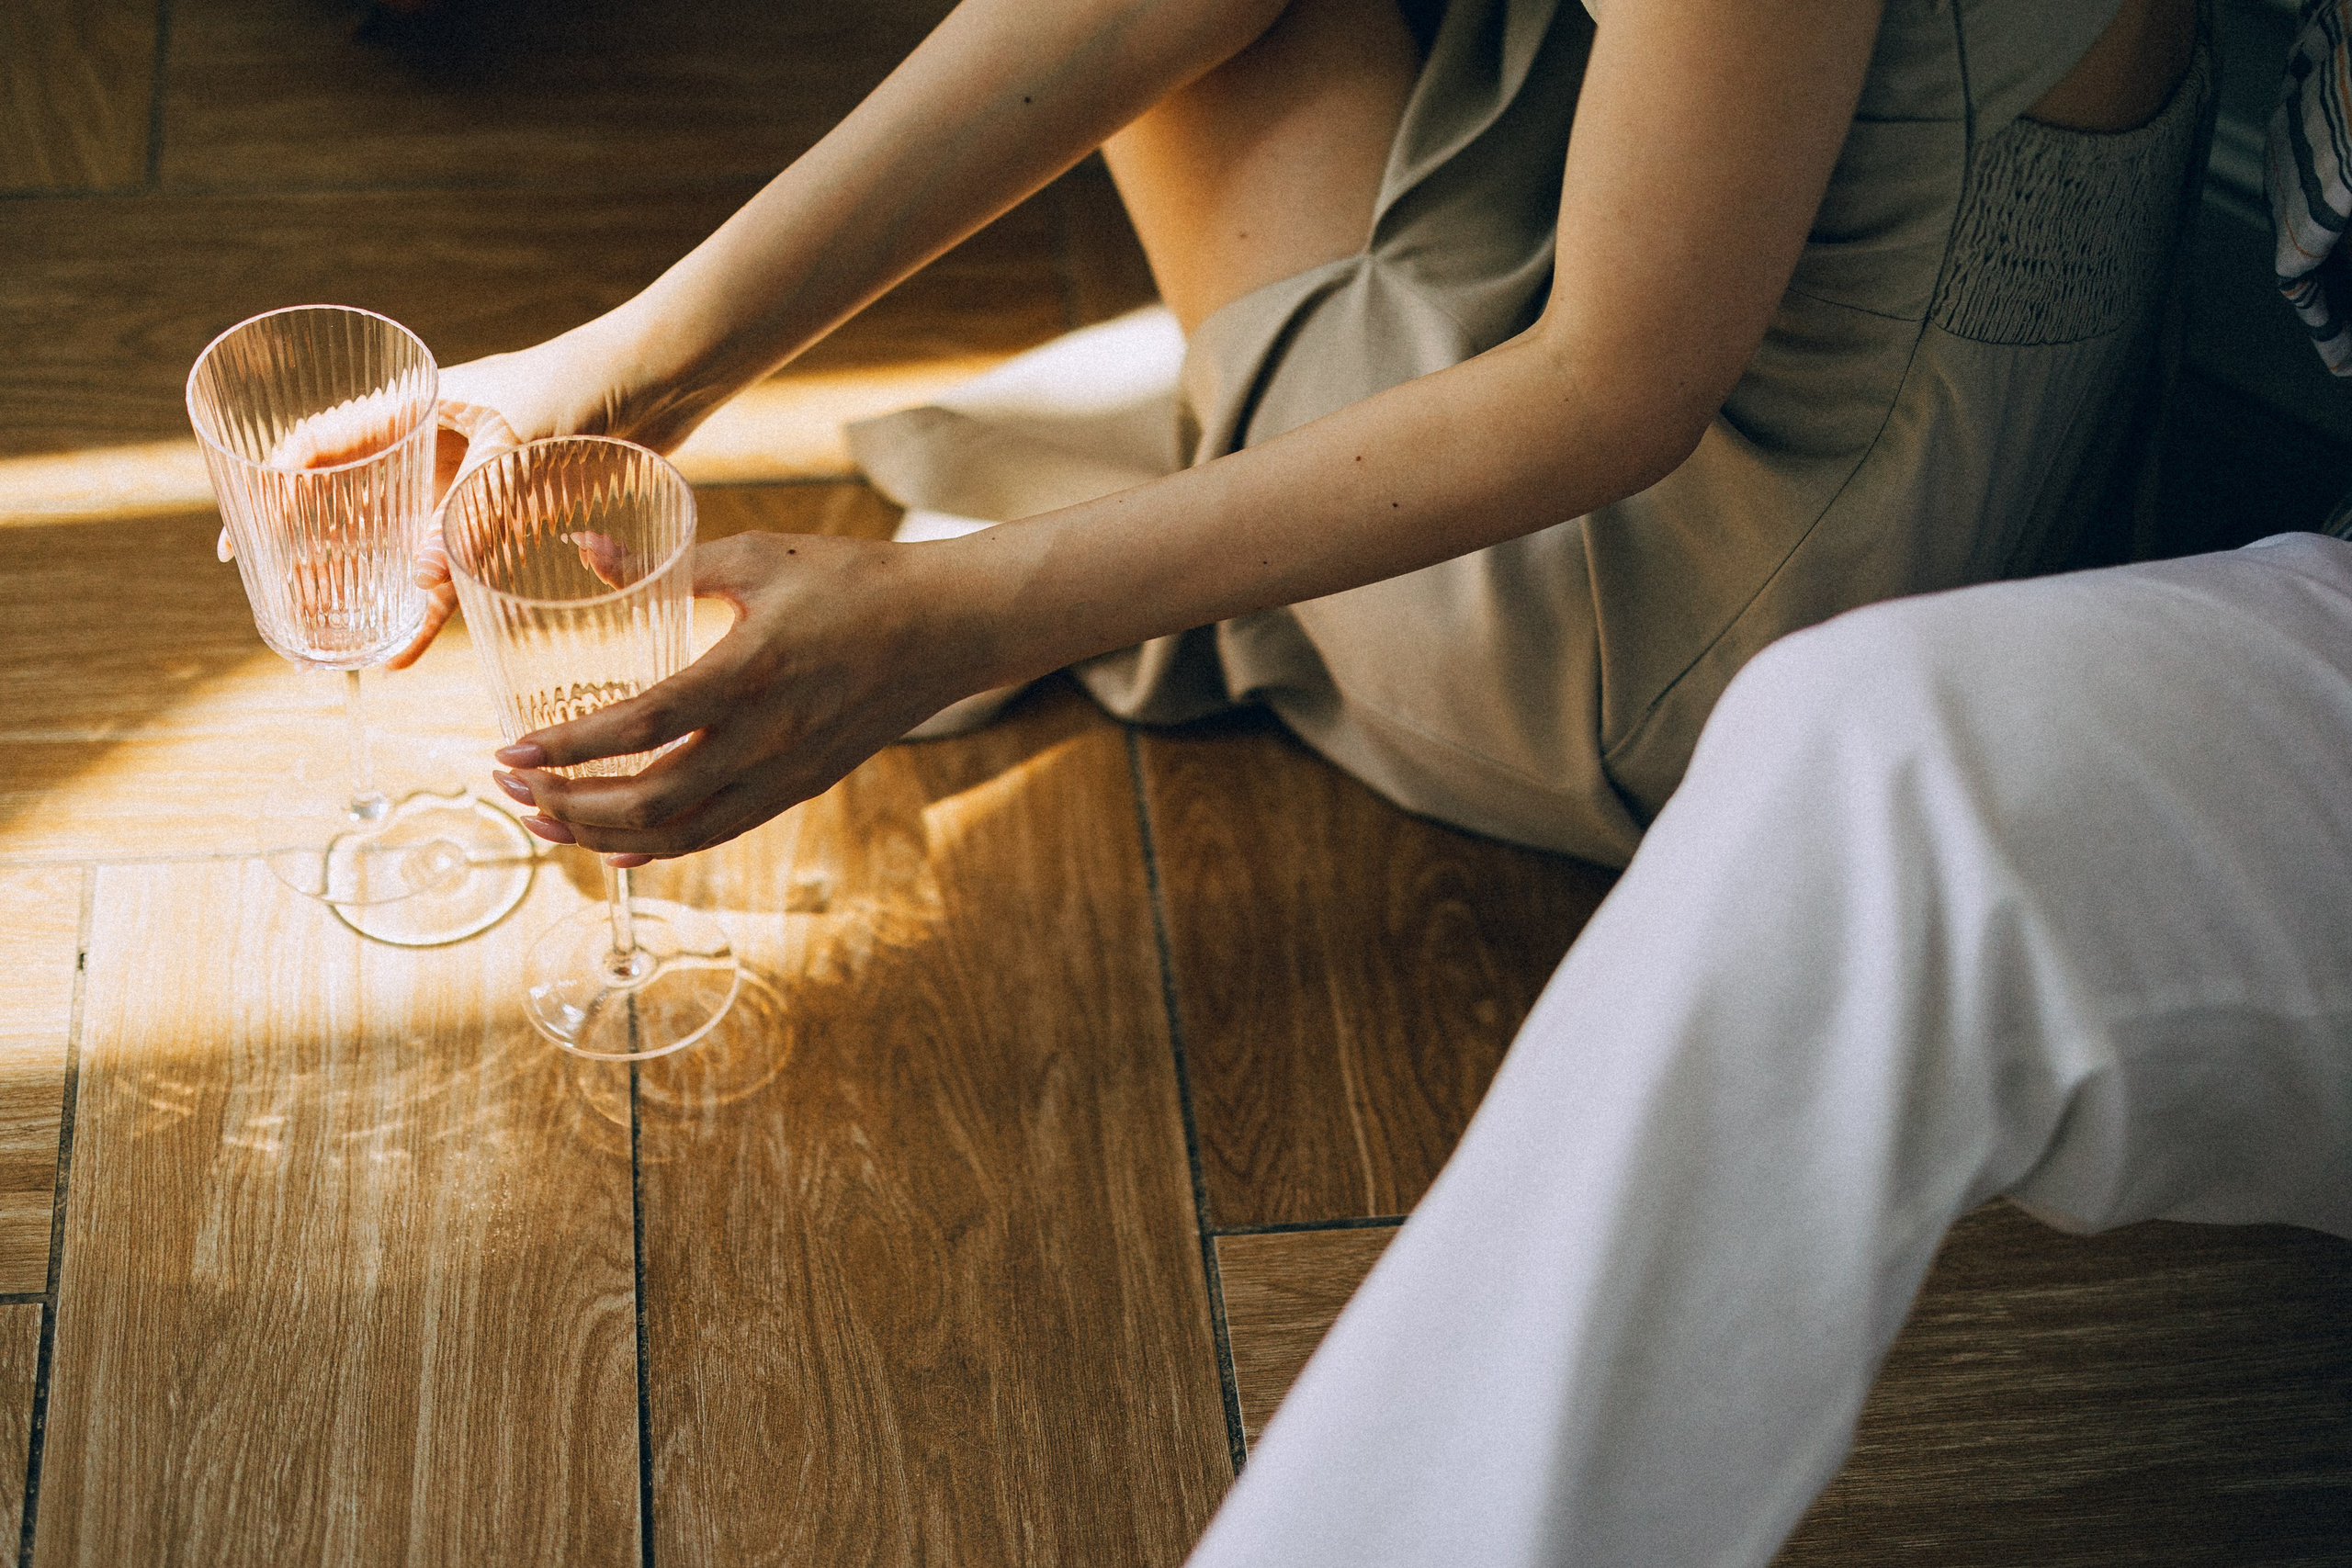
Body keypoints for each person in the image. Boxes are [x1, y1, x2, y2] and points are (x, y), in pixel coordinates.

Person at [324, 0, 2205, 869]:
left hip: (1685, 605)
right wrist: (634, 367)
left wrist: (944, 622)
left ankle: (1311, 545)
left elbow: (1611, 395)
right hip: (1859, 328)